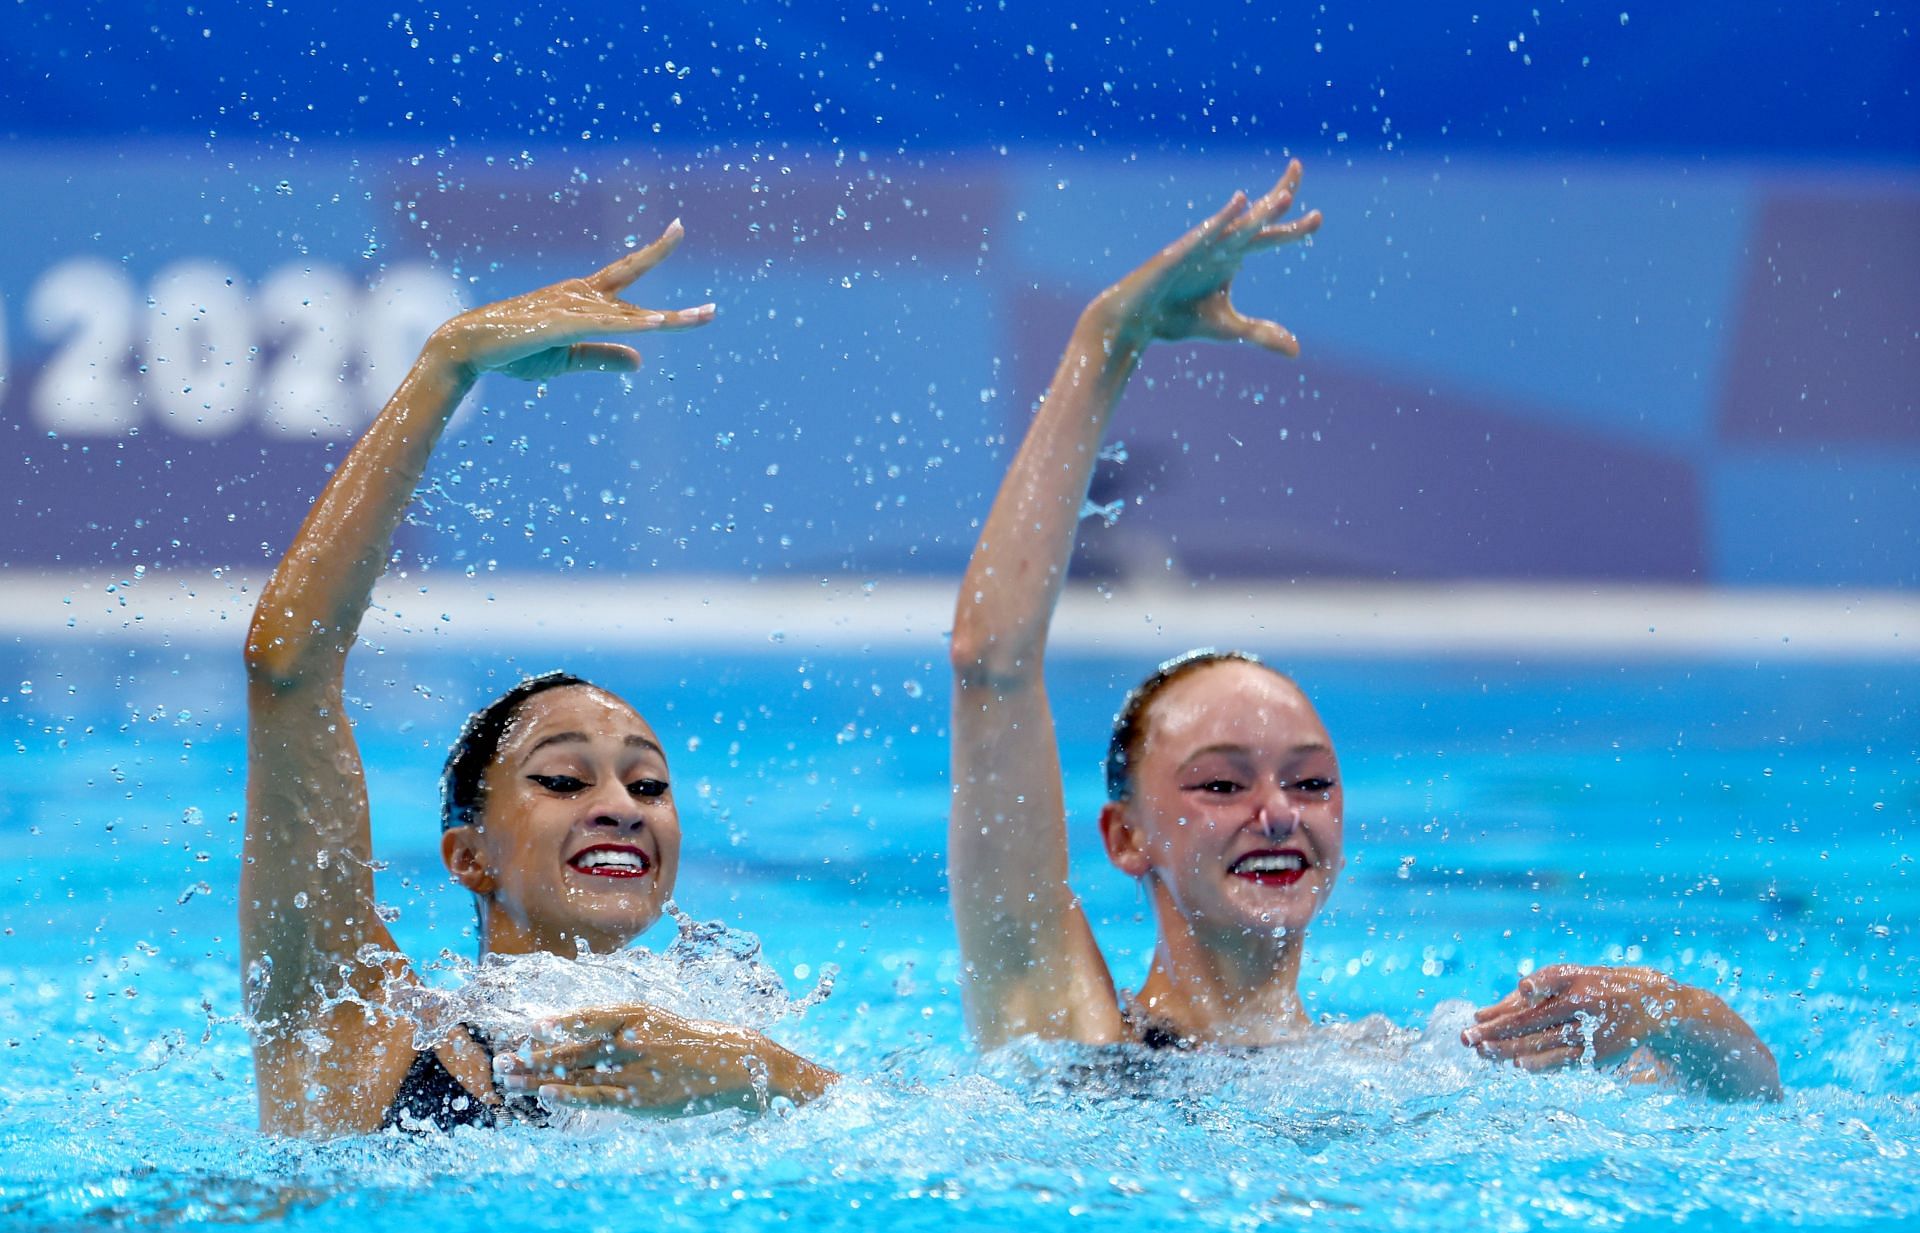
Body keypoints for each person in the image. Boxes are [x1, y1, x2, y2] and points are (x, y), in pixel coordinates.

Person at [944, 161, 1781, 1101]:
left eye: (1310, 780)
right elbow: (991, 665)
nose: (1278, 813)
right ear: (1125, 837)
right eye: (1221, 781)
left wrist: (1664, 1005)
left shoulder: (1420, 1065)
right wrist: (1110, 337)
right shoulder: (1075, 1036)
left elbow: (1749, 1098)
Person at [242, 222, 838, 1137]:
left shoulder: (725, 1058)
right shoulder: (372, 1035)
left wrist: (771, 1072)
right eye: (563, 778)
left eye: (649, 783)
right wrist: (445, 368)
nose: (621, 806)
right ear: (468, 855)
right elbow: (290, 670)